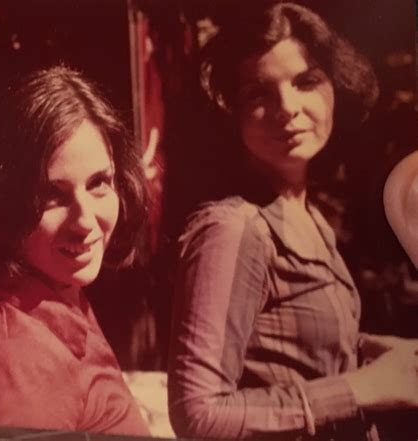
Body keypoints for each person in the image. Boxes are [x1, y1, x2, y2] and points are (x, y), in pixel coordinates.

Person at [167, 3, 418, 440]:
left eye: (306, 81)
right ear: (230, 112)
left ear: (335, 86)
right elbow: (198, 415)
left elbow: (282, 349)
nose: (288, 108)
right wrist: (364, 387)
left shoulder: (310, 216)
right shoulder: (233, 227)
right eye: (258, 93)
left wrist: (374, 351)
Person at [0, 65, 151, 435]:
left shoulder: (57, 291)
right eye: (52, 195)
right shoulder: (22, 360)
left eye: (98, 183)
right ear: (7, 205)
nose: (85, 221)